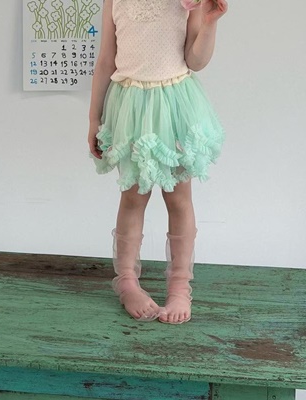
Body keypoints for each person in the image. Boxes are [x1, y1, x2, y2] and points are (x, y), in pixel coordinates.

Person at [88, 0, 228, 324]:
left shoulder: (188, 1)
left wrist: (209, 22)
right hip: (131, 107)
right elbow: (106, 59)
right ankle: (126, 280)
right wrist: (94, 118)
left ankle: (180, 286)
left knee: (178, 199)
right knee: (133, 198)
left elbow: (195, 60)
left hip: (174, 106)